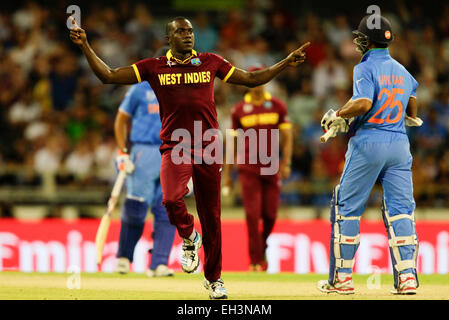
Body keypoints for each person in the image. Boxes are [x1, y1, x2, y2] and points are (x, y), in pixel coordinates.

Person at [69, 16, 309, 299]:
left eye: (190, 31)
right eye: (180, 31)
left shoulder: (210, 61)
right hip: (175, 145)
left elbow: (251, 78)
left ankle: (214, 279)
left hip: (208, 145)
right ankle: (189, 236)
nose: (188, 35)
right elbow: (108, 75)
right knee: (170, 198)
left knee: (212, 217)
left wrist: (284, 63)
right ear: (168, 38)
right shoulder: (154, 67)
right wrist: (85, 46)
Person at [317, 14, 423, 295]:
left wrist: (339, 114)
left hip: (369, 142)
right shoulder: (403, 70)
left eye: (360, 38)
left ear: (366, 41)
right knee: (401, 211)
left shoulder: (364, 67)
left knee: (346, 207)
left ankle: (341, 279)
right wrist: (404, 116)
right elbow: (412, 106)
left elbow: (363, 102)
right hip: (399, 145)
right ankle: (407, 278)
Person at [114, 46, 177, 277]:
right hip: (144, 151)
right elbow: (121, 120)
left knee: (169, 210)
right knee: (136, 208)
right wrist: (122, 152)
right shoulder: (140, 89)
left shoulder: (182, 90)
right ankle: (123, 257)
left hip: (173, 152)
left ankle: (159, 262)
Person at [222, 65, 293, 271]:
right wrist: (227, 174)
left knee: (270, 215)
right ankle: (254, 261)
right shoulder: (238, 110)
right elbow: (231, 144)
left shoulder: (277, 106)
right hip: (248, 167)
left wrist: (286, 162)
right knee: (252, 215)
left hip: (271, 167)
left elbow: (287, 138)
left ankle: (261, 247)